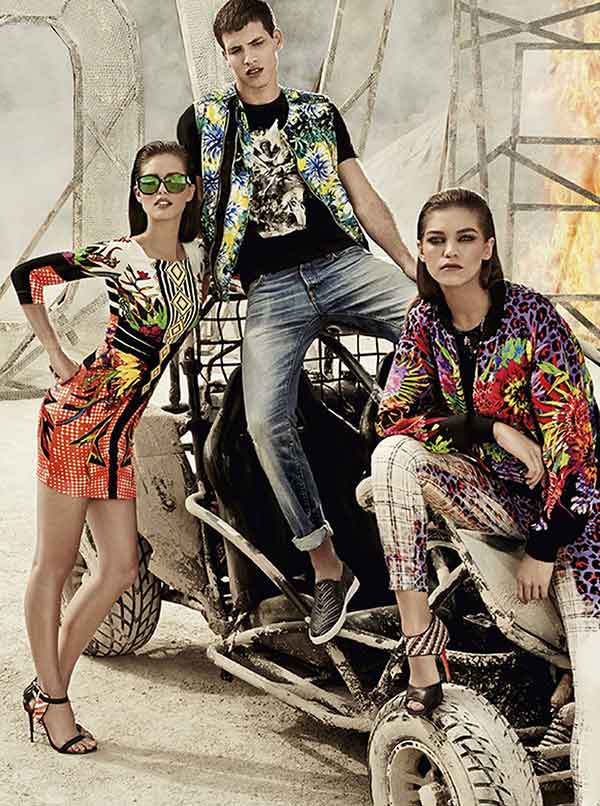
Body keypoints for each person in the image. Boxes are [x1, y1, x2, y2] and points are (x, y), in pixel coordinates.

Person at [177, 0, 416, 645]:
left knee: (434, 328)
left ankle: (460, 495)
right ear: (225, 57)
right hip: (272, 290)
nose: (248, 60)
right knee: (263, 420)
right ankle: (326, 564)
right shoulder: (204, 123)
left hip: (343, 264)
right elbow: (187, 210)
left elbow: (362, 195)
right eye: (235, 51)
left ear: (276, 41)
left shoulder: (318, 113)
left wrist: (411, 267)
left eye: (256, 44)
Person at [370, 187, 600, 805]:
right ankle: (421, 652)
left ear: (488, 248)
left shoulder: (532, 318)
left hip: (576, 522)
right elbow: (392, 418)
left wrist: (545, 549)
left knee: (599, 692)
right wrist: (486, 427)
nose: (450, 251)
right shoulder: (425, 322)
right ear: (421, 251)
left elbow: (575, 446)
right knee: (392, 459)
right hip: (493, 494)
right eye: (437, 240)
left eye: (465, 238)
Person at [11, 140, 204, 755]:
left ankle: (47, 689)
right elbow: (27, 277)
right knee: (53, 564)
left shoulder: (197, 263)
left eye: (173, 182)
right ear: (137, 194)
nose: (161, 193)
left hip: (118, 434)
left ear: (191, 191)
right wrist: (57, 354)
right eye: (149, 183)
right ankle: (55, 702)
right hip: (78, 421)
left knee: (120, 566)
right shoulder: (122, 255)